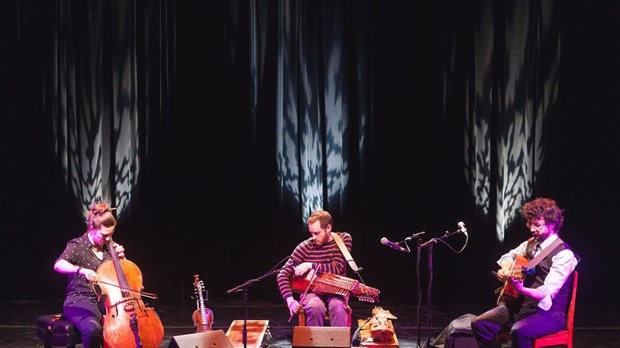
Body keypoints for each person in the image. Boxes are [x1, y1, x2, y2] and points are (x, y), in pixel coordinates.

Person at [470, 197, 579, 348]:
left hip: (548, 313)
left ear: (552, 224)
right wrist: (507, 268)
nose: (532, 229)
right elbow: (508, 256)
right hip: (522, 306)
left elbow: (546, 292)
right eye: (530, 224)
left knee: (519, 331)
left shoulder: (564, 254)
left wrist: (521, 289)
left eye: (537, 225)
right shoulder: (531, 243)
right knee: (480, 323)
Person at [53, 202, 126, 348]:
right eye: (104, 235)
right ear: (92, 229)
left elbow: (124, 277)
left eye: (111, 235)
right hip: (80, 300)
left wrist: (122, 259)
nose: (108, 239)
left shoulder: (109, 249)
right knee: (92, 329)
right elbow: (58, 265)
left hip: (108, 303)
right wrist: (80, 270)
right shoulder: (77, 245)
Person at [277, 210, 351, 326]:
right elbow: (282, 274)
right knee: (315, 306)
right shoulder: (305, 247)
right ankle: (314, 343)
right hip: (313, 293)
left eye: (317, 233)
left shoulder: (343, 240)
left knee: (337, 308)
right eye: (311, 233)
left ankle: (339, 343)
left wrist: (310, 265)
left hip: (337, 292)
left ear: (328, 228)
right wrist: (289, 300)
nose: (313, 237)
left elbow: (336, 267)